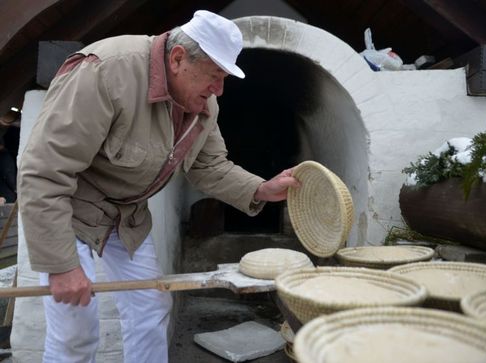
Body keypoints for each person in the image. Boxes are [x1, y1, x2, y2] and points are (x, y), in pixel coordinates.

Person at [18, 10, 299, 363]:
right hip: (72, 210)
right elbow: (44, 170)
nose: (219, 90)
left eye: (224, 78)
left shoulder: (203, 104)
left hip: (129, 215)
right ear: (179, 58)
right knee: (76, 329)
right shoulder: (106, 72)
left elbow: (208, 165)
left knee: (151, 308)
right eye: (214, 76)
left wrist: (261, 189)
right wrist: (61, 265)